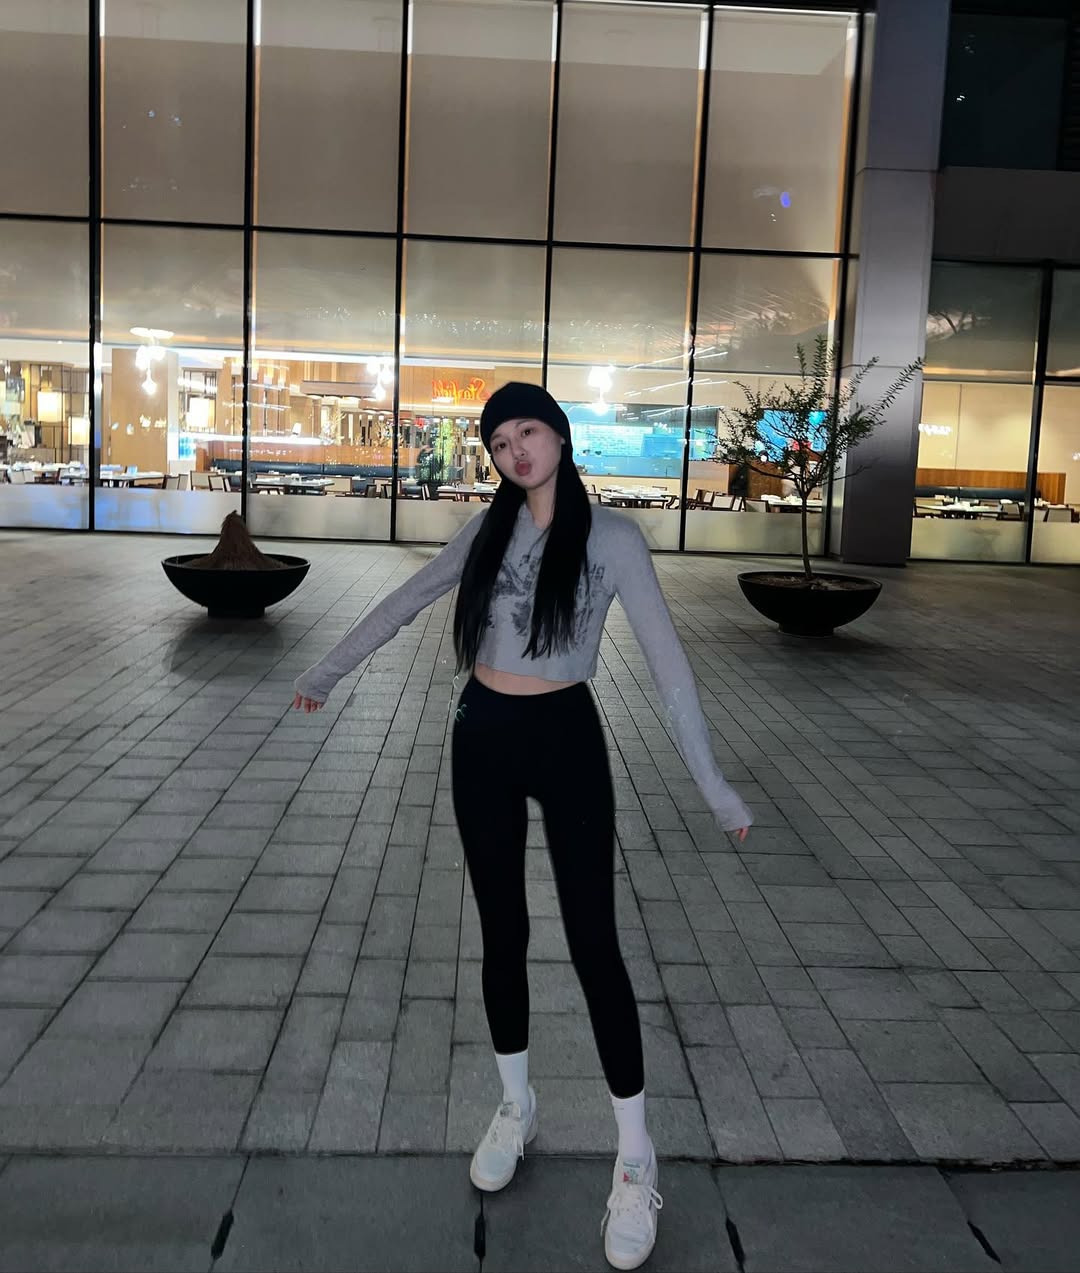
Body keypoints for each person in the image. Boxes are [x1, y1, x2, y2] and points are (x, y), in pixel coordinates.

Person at [293, 382, 752, 1271]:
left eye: (528, 432)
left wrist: (715, 787)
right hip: (483, 735)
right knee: (501, 933)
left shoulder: (613, 539)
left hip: (566, 736)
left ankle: (635, 1157)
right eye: (500, 442)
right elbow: (406, 599)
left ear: (561, 436)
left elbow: (670, 668)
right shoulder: (487, 531)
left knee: (594, 945)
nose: (516, 452)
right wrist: (326, 670)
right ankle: (516, 1105)